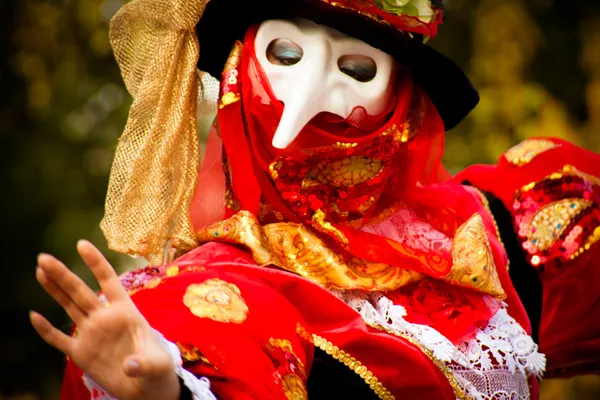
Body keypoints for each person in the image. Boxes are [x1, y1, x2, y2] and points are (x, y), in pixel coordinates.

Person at [35, 0, 600, 398]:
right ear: (240, 74)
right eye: (285, 55)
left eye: (356, 69)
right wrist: (169, 393)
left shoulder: (488, 235)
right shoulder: (214, 296)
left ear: (400, 103)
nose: (305, 101)